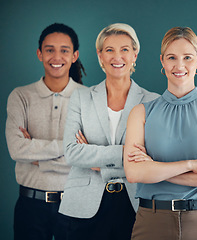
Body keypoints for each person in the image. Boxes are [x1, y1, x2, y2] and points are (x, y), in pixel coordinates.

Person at [123, 26, 197, 240]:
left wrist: (154, 169)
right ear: (162, 61)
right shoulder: (140, 113)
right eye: (172, 57)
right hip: (152, 221)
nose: (180, 65)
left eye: (187, 57)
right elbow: (134, 174)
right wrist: (196, 165)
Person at [58, 23, 159, 240]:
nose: (117, 56)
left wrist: (95, 159)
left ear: (135, 55)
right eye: (109, 50)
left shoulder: (153, 101)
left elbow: (152, 159)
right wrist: (126, 154)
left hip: (136, 205)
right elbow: (72, 152)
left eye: (124, 49)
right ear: (100, 55)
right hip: (83, 207)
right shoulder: (81, 97)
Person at [5, 23, 86, 240]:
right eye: (49, 50)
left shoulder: (89, 98)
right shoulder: (20, 96)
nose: (56, 56)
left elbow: (89, 158)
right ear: (40, 54)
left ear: (74, 55)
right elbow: (17, 150)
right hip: (30, 205)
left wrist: (38, 157)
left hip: (76, 204)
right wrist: (70, 147)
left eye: (64, 50)